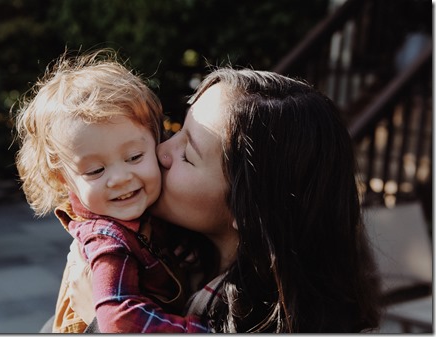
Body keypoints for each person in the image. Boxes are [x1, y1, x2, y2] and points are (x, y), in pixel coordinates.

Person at [67, 67, 382, 333]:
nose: (162, 151)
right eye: (177, 130)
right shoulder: (149, 248)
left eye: (188, 155)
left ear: (249, 212)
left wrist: (99, 322)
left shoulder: (267, 322)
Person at [13, 50, 210, 333]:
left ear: (156, 142)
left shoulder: (148, 215)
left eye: (134, 157)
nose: (119, 178)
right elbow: (119, 319)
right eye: (95, 171)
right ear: (63, 179)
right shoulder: (107, 239)